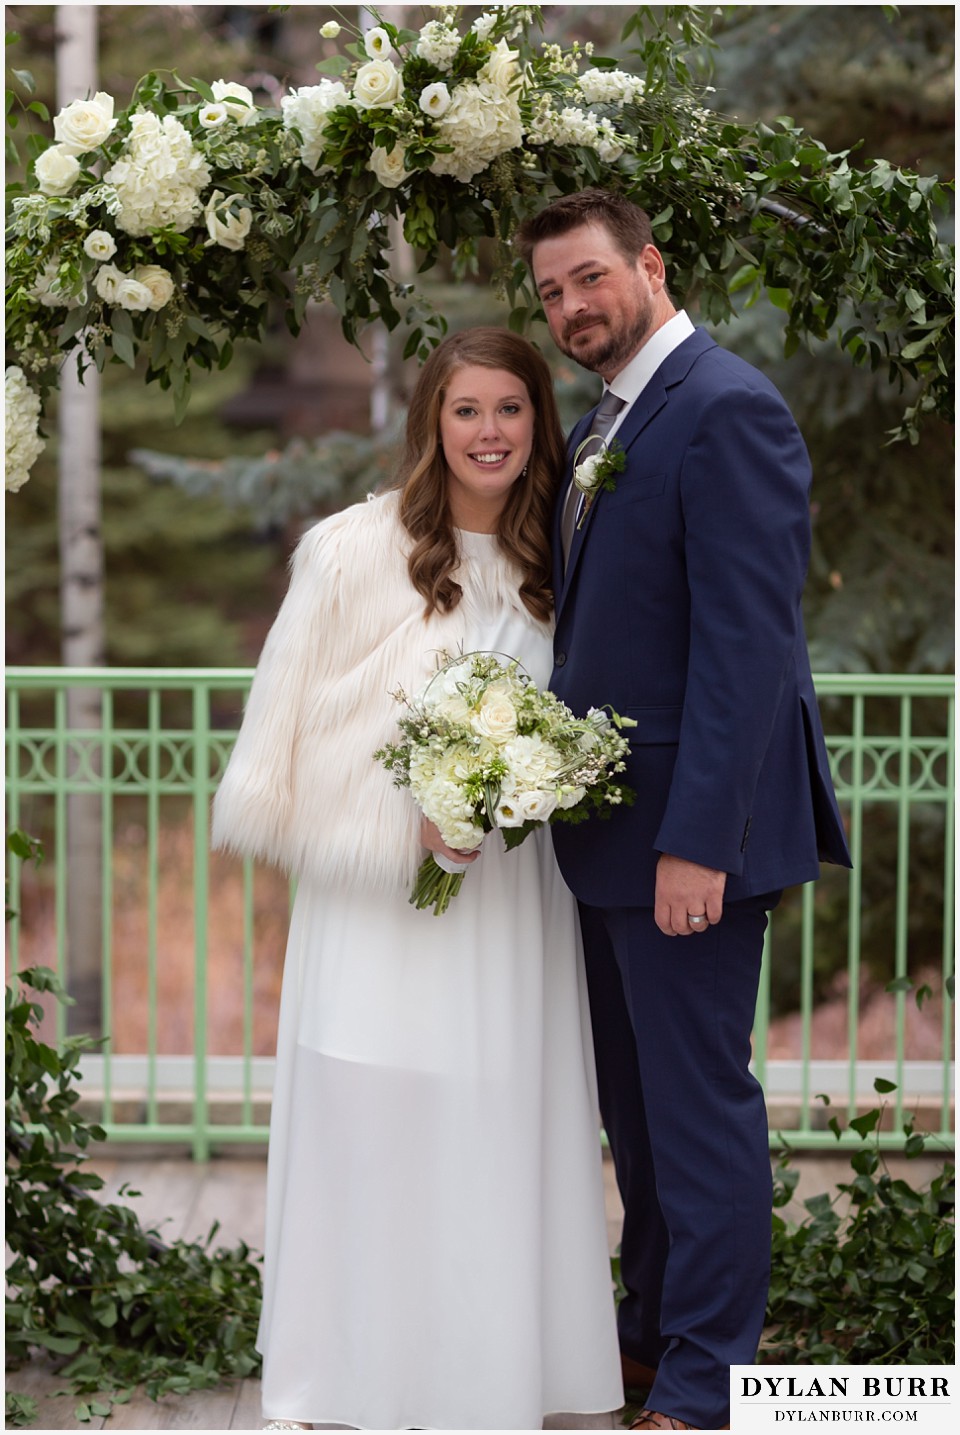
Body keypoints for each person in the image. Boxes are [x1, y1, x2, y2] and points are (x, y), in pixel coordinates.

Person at [211, 327, 624, 1431]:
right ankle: (358, 1372)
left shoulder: (564, 565)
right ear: (432, 424)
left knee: (498, 1115)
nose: (489, 432)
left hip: (510, 901)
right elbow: (286, 745)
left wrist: (522, 791)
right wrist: (414, 818)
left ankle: (493, 1371)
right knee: (378, 1114)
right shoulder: (350, 552)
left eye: (511, 410)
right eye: (467, 410)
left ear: (539, 423)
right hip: (378, 901)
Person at [515, 190, 852, 1433]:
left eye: (590, 279)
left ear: (650, 265)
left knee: (698, 1114)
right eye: (551, 293)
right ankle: (651, 1342)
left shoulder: (725, 408)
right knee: (640, 1117)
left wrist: (698, 840)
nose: (571, 309)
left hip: (688, 845)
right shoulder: (618, 417)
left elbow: (747, 651)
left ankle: (712, 1384)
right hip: (612, 841)